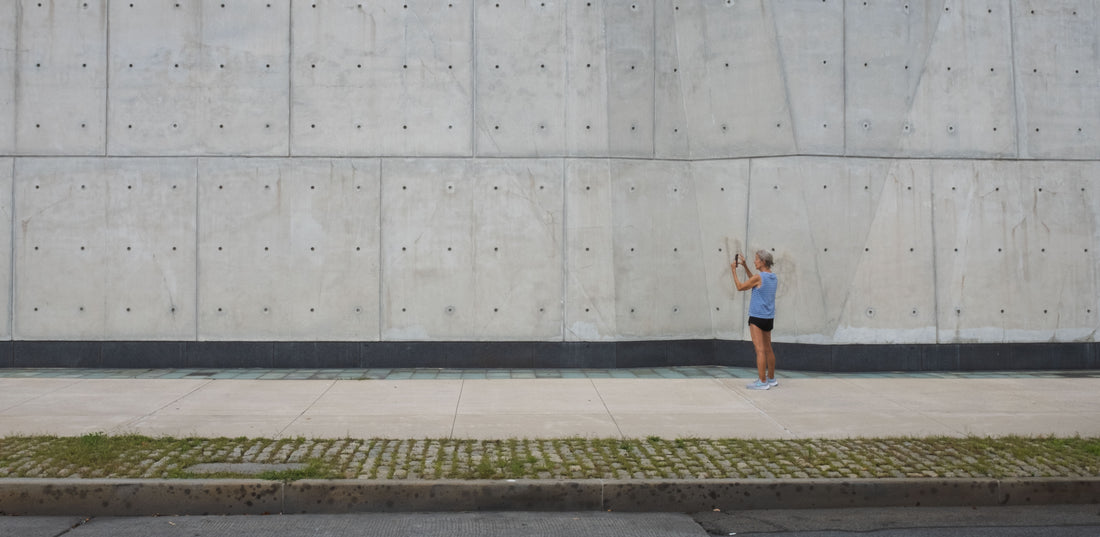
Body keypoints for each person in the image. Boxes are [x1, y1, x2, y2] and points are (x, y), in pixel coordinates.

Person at [731, 250, 778, 390]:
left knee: (760, 350)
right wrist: (745, 266)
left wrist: (734, 270)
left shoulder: (759, 277)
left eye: (756, 259)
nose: (754, 261)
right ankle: (771, 378)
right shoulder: (773, 277)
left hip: (757, 317)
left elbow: (740, 287)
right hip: (768, 318)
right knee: (768, 349)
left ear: (763, 262)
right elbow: (756, 283)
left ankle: (762, 382)